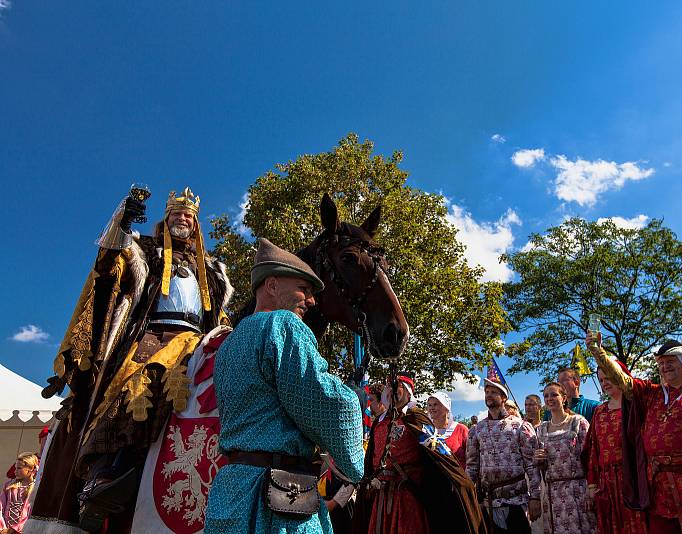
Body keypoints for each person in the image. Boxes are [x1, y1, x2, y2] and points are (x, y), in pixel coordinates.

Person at [30, 187, 233, 533]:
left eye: (189, 215)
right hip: (152, 339)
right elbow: (111, 266)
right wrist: (121, 223)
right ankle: (106, 476)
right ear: (165, 219)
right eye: (176, 214)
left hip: (198, 341)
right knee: (136, 389)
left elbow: (220, 316)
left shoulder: (213, 272)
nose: (183, 219)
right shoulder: (147, 253)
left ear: (196, 224)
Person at [201, 237, 362, 533]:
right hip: (278, 495)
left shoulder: (228, 345)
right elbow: (321, 399)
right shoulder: (283, 325)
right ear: (272, 286)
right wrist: (355, 404)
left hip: (231, 491)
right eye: (303, 289)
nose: (311, 301)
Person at [587, 333, 682, 533]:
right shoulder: (653, 394)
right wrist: (598, 352)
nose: (665, 367)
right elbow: (623, 381)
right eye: (661, 363)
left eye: (671, 361)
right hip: (659, 489)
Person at [355, 373, 485, 534]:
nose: (392, 390)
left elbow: (438, 451)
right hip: (380, 495)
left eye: (398, 387)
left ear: (408, 392)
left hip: (406, 496)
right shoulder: (379, 422)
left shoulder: (415, 417)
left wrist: (461, 482)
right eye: (389, 386)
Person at [466, 380, 538, 534]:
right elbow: (472, 467)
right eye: (487, 392)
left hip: (517, 501)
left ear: (504, 398)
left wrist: (536, 497)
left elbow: (532, 465)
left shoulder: (520, 426)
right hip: (488, 502)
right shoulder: (476, 430)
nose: (489, 395)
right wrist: (467, 497)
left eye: (493, 392)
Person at [583, 362, 647, 534]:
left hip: (634, 479)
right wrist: (592, 484)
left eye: (609, 377)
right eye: (601, 380)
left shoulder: (637, 405)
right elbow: (593, 450)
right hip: (607, 483)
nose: (605, 383)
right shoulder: (599, 411)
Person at [533, 383, 595, 534]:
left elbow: (591, 457)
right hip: (552, 493)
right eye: (546, 396)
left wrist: (590, 490)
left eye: (554, 394)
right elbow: (538, 467)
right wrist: (539, 459)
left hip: (577, 490)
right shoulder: (540, 429)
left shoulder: (578, 422)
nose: (549, 398)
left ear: (564, 398)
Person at [427, 392, 470, 469]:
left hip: (457, 478)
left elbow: (471, 458)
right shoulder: (427, 431)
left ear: (446, 407)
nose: (432, 408)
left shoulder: (461, 429)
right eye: (429, 405)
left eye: (436, 404)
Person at [0, 453, 39, 533]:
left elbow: (31, 515)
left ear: (31, 469)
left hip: (23, 531)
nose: (15, 471)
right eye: (15, 468)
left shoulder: (35, 489)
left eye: (19, 468)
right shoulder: (9, 486)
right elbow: (1, 507)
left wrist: (14, 529)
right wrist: (2, 528)